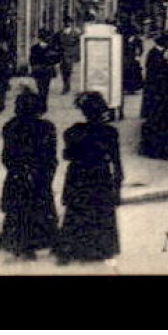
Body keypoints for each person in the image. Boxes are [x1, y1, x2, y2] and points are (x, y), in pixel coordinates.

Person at [55, 91, 123, 265]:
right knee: (100, 212)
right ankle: (99, 248)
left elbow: (67, 155)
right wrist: (117, 187)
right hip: (100, 175)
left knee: (77, 211)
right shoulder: (109, 132)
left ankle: (71, 247)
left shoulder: (73, 132)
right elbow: (116, 161)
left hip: (78, 175)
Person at [0, 88, 58, 261]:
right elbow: (51, 155)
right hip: (40, 175)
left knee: (18, 209)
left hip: (18, 175)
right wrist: (47, 172)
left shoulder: (11, 127)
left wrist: (16, 169)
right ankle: (40, 239)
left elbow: (7, 156)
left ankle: (18, 240)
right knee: (40, 207)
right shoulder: (46, 127)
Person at [139, 37, 168, 159]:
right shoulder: (157, 55)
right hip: (156, 91)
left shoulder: (153, 53)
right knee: (156, 116)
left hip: (152, 89)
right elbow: (159, 72)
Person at [28, 29, 58, 107]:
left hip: (38, 70)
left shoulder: (34, 48)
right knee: (46, 87)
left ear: (39, 38)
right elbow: (56, 60)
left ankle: (42, 102)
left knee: (40, 87)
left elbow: (31, 60)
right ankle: (44, 102)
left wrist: (33, 68)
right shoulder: (51, 48)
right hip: (47, 70)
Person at [57, 24, 80, 96]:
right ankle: (66, 85)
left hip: (70, 55)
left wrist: (75, 54)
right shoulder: (60, 33)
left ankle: (66, 87)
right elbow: (56, 43)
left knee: (68, 71)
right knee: (63, 71)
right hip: (62, 55)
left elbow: (78, 44)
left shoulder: (75, 34)